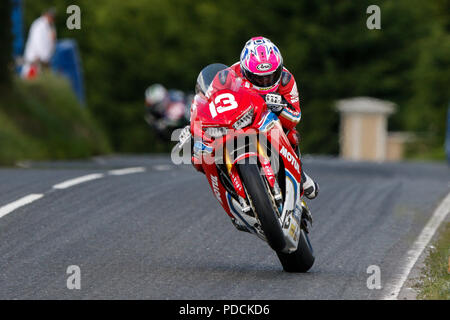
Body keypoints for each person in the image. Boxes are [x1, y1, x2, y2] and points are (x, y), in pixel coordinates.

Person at [186, 37, 319, 200]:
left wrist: (280, 108)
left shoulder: (286, 79)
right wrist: (195, 130)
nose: (264, 81)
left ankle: (300, 173)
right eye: (258, 78)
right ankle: (229, 185)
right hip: (238, 121)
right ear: (245, 71)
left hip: (271, 122)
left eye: (269, 77)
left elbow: (295, 116)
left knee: (292, 135)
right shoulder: (227, 76)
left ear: (278, 69)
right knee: (198, 159)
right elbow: (209, 103)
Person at [22, 8, 57, 79]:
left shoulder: (50, 26)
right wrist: (41, 55)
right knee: (30, 77)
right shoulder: (39, 24)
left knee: (41, 79)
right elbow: (37, 41)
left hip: (44, 59)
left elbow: (51, 43)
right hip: (36, 57)